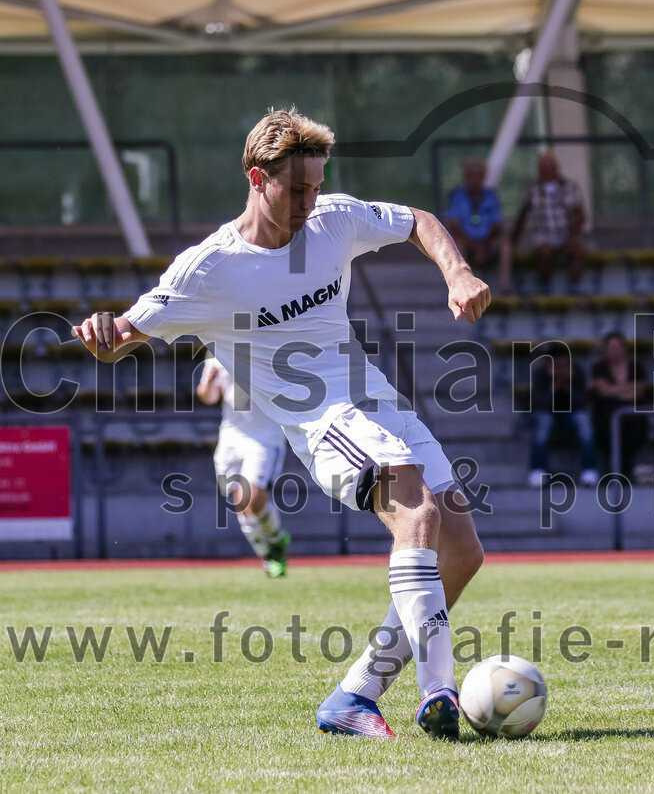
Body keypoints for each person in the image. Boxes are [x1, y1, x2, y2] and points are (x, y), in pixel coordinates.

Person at [73, 107, 490, 740]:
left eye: (316, 186)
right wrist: (103, 332)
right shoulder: (208, 269)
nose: (308, 200)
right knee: (415, 510)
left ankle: (354, 697)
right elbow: (124, 334)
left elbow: (418, 222)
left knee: (461, 552)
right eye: (297, 188)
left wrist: (456, 271)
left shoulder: (333, 217)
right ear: (256, 177)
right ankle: (441, 691)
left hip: (376, 400)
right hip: (321, 422)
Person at [196, 353, 291, 577]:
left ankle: (275, 542)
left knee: (251, 498)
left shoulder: (269, 347)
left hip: (265, 436)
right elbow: (207, 396)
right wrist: (208, 383)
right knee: (241, 502)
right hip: (231, 436)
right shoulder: (217, 350)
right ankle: (270, 552)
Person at [509, 153, 586, 290]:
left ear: (556, 168)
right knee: (545, 253)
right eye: (543, 168)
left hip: (566, 233)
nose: (547, 171)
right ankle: (545, 287)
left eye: (550, 167)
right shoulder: (531, 190)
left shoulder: (571, 187)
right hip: (542, 236)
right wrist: (514, 241)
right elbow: (522, 216)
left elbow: (580, 216)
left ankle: (573, 288)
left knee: (579, 252)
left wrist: (572, 236)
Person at [527, 343, 600, 488]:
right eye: (557, 364)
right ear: (549, 363)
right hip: (548, 414)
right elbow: (540, 403)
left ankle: (589, 470)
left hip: (572, 414)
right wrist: (554, 385)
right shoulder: (540, 374)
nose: (561, 368)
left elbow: (581, 402)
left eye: (565, 364)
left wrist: (567, 385)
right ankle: (537, 469)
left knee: (584, 420)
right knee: (543, 422)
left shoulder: (577, 373)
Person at [591, 331, 649, 478]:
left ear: (625, 348)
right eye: (611, 348)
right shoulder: (599, 367)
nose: (614, 351)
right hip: (606, 415)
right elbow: (603, 391)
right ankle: (619, 469)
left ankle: (621, 468)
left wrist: (614, 390)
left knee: (636, 429)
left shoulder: (636, 366)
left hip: (633, 415)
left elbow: (639, 392)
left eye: (618, 347)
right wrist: (627, 388)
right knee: (605, 429)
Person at [443, 157, 503, 271]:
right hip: (466, 241)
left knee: (505, 246)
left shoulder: (492, 196)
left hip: (487, 241)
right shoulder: (456, 196)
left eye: (478, 176)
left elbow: (497, 226)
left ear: (483, 177)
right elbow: (454, 226)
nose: (474, 180)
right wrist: (472, 244)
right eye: (470, 176)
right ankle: (460, 282)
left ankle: (505, 287)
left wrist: (484, 244)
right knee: (457, 246)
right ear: (465, 178)